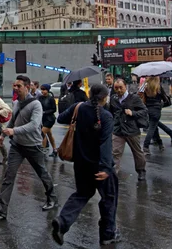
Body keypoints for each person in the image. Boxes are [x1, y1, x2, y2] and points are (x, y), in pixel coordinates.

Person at [52, 84, 119, 246]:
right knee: (109, 198)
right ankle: (108, 234)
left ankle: (63, 221)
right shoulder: (106, 116)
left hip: (81, 163)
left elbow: (60, 118)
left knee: (81, 194)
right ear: (104, 98)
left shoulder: (78, 108)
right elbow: (105, 144)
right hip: (99, 166)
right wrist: (105, 168)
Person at [0, 75, 57, 218]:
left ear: (27, 87)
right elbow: (13, 121)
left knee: (42, 173)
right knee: (9, 176)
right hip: (17, 146)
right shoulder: (16, 103)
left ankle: (52, 198)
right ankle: (1, 208)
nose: (16, 88)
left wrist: (14, 131)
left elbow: (34, 125)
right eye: (14, 86)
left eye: (19, 86)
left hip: (33, 146)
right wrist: (3, 135)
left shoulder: (36, 104)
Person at [108, 79, 149, 181]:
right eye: (116, 88)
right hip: (118, 129)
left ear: (125, 86)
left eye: (120, 87)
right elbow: (110, 112)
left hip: (132, 130)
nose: (118, 90)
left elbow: (144, 110)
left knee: (137, 152)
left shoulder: (134, 98)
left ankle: (141, 171)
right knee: (115, 152)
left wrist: (133, 113)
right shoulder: (113, 98)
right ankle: (113, 172)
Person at [139, 77, 172, 155]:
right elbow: (166, 100)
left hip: (147, 109)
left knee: (154, 126)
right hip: (156, 110)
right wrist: (160, 104)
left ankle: (161, 142)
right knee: (152, 128)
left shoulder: (145, 85)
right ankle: (146, 146)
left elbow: (139, 94)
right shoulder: (158, 87)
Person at [39, 84, 58, 157]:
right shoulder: (40, 98)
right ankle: (55, 150)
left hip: (50, 119)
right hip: (43, 119)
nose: (42, 91)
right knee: (49, 134)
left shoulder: (51, 98)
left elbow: (54, 109)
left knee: (42, 133)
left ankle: (43, 150)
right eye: (42, 89)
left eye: (44, 90)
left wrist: (45, 112)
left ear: (47, 90)